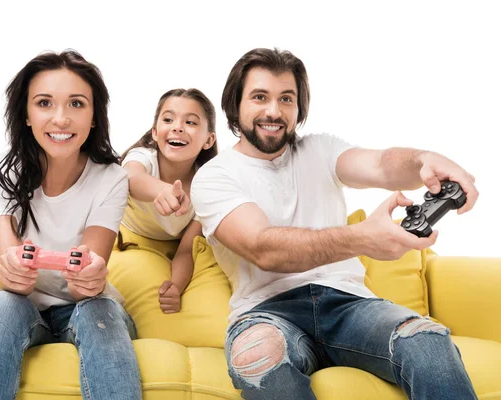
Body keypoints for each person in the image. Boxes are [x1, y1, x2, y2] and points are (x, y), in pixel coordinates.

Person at [190, 48, 478, 400]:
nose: (274, 111)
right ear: (235, 105)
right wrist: (359, 239)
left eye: (286, 99)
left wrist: (424, 160)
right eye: (259, 97)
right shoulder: (213, 177)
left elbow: (382, 165)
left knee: (426, 341)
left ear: (299, 109)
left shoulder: (321, 149)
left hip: (349, 304)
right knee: (258, 357)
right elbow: (263, 248)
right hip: (267, 311)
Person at [0, 50, 141, 400]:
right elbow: (9, 276)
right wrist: (12, 272)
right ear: (25, 114)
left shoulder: (112, 179)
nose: (61, 119)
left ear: (94, 117)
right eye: (44, 103)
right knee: (3, 304)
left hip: (87, 305)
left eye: (76, 104)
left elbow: (85, 286)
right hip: (21, 305)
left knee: (98, 308)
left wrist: (90, 275)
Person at [119, 88, 217, 313]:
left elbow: (186, 249)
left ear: (209, 139)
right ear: (155, 132)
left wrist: (176, 286)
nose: (178, 126)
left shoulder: (207, 187)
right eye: (168, 119)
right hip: (124, 237)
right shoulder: (144, 157)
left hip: (170, 247)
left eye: (190, 122)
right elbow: (132, 177)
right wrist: (161, 191)